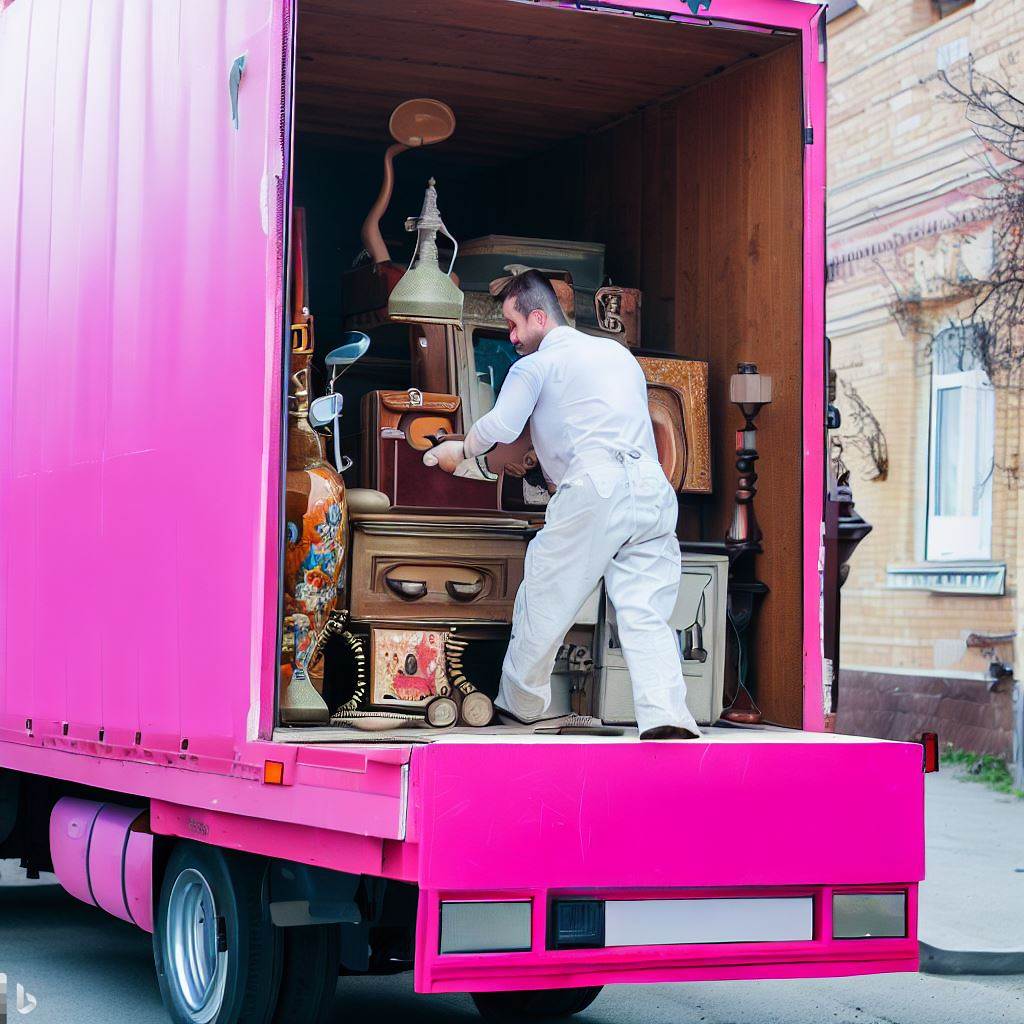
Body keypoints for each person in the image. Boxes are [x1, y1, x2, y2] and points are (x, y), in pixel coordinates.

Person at [423, 270, 700, 740]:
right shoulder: (617, 355)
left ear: (538, 317)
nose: (511, 338)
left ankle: (522, 705)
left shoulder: (535, 365)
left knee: (545, 594)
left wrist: (462, 448)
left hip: (595, 483)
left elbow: (503, 426)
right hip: (651, 488)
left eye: (514, 326)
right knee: (645, 609)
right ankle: (667, 714)